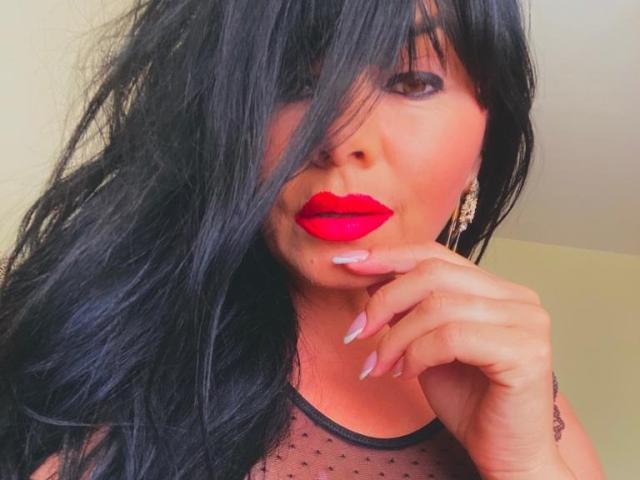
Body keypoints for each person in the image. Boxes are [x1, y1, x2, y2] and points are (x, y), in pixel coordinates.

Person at [0, 0, 605, 479]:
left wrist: (527, 465)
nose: (340, 140)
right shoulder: (107, 355)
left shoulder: (521, 388)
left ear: (484, 139)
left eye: (410, 81)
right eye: (293, 81)